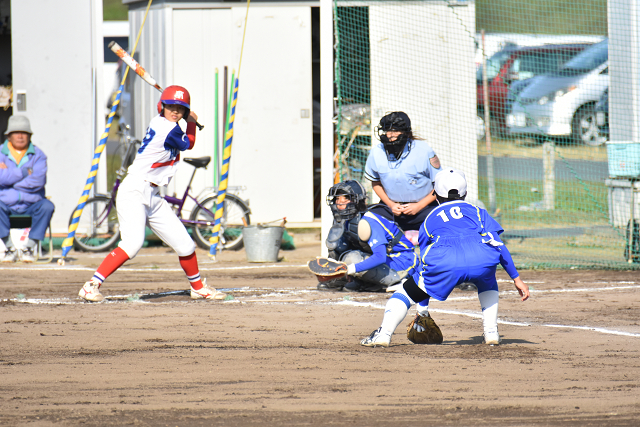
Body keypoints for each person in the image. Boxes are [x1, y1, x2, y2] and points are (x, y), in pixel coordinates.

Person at [79, 85, 225, 302]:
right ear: (162, 106)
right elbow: (189, 143)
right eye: (170, 107)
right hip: (135, 190)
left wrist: (187, 118)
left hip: (152, 195)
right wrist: (191, 122)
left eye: (180, 108)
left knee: (185, 244)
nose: (175, 111)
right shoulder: (168, 128)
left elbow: (179, 131)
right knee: (132, 244)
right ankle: (91, 286)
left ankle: (197, 287)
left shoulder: (163, 122)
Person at [360, 168, 530, 347]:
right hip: (481, 259)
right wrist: (516, 279)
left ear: (435, 194)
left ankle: (384, 334)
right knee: (487, 280)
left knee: (405, 292)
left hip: (445, 260)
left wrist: (422, 308)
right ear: (465, 193)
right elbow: (499, 245)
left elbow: (425, 260)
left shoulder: (429, 218)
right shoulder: (478, 212)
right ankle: (491, 333)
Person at [322, 180, 421, 293]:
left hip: (403, 261)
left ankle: (401, 280)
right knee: (340, 248)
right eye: (337, 199)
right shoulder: (346, 221)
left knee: (352, 258)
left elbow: (380, 256)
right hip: (388, 259)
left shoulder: (369, 220)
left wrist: (349, 269)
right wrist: (333, 272)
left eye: (346, 198)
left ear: (356, 200)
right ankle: (363, 282)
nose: (340, 203)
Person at [364, 111, 442, 232]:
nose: (390, 135)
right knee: (367, 220)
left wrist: (419, 206)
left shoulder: (424, 150)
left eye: (395, 130)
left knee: (442, 221)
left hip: (424, 208)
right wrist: (391, 205)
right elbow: (376, 183)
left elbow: (440, 186)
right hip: (392, 209)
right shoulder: (376, 152)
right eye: (387, 130)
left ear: (406, 132)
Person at [0, 115, 55, 263]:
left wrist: (7, 179)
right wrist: (24, 173)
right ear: (8, 135)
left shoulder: (39, 155)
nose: (20, 136)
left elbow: (38, 181)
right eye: (16, 132)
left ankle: (29, 248)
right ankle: (9, 248)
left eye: (24, 132)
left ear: (30, 136)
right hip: (5, 204)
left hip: (32, 203)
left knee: (47, 206)